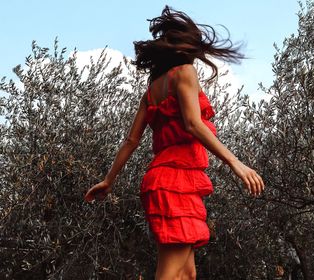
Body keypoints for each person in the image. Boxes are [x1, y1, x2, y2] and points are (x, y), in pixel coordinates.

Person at [84, 5, 265, 280]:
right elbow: (193, 124)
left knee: (187, 275)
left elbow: (131, 140)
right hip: (175, 183)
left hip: (166, 181)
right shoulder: (184, 73)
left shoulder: (152, 91)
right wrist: (236, 163)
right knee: (169, 274)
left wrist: (109, 180)